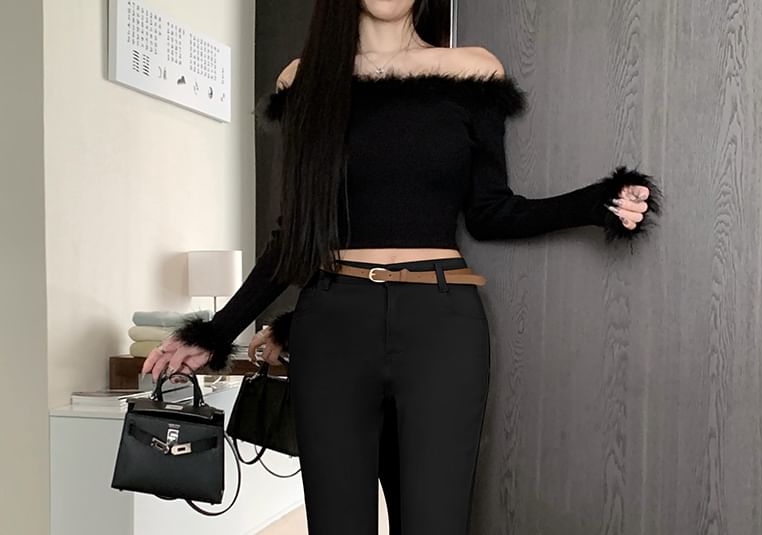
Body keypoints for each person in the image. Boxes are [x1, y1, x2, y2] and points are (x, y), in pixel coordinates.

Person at [142, 0, 661, 533]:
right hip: (334, 323)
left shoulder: (472, 69)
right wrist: (213, 334)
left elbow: (491, 213)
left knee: (436, 521)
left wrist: (594, 203)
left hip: (441, 323)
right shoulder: (305, 79)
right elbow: (293, 237)